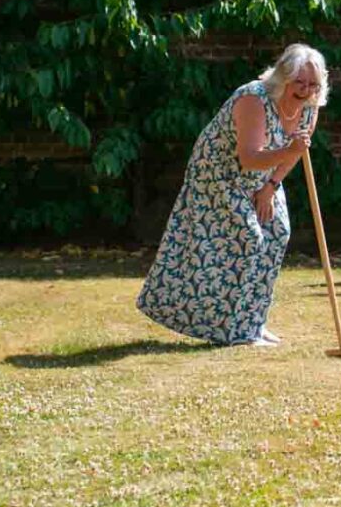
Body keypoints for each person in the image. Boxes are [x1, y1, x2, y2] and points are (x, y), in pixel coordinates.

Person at [137, 43, 326, 346]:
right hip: (218, 174)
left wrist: (271, 187)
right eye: (299, 82)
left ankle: (253, 323)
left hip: (261, 177)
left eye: (312, 84)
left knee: (277, 233)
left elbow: (294, 154)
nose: (305, 90)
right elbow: (250, 157)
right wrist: (287, 151)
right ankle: (232, 330)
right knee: (247, 238)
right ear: (282, 77)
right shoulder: (254, 99)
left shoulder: (310, 107)